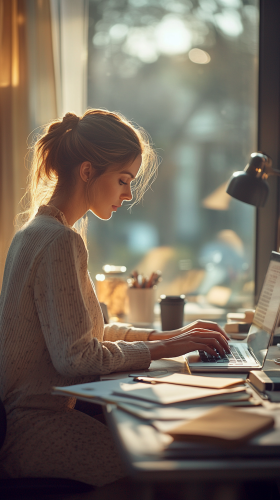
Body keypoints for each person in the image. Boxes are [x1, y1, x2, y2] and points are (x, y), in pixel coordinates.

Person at [0, 109, 230, 491]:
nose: (127, 194)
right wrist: (169, 347)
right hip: (33, 428)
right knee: (159, 469)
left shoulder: (35, 231)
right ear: (87, 171)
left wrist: (166, 338)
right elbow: (76, 357)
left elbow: (86, 332)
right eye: (123, 180)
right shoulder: (59, 240)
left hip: (24, 418)